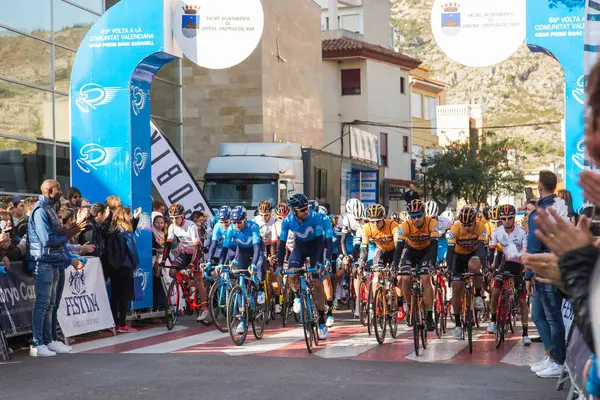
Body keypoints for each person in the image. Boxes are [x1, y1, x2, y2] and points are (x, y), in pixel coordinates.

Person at [27, 180, 86, 357]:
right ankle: (37, 343)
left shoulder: (51, 208)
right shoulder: (40, 210)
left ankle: (50, 339)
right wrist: (68, 234)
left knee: (52, 304)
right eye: (58, 189)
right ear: (49, 191)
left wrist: (69, 231)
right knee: (43, 303)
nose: (61, 192)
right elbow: (46, 240)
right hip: (43, 261)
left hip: (54, 260)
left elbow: (57, 235)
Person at [526, 170, 568, 378]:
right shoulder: (562, 208)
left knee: (552, 316)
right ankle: (552, 355)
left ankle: (558, 361)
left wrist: (527, 275)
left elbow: (533, 248)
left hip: (545, 268)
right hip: (559, 266)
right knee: (539, 315)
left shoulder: (539, 213)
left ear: (540, 186)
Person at [277, 193, 328, 340]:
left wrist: (318, 262)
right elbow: (281, 244)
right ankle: (298, 297)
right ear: (294, 211)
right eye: (302, 210)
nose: (306, 211)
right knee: (292, 274)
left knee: (318, 283)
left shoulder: (314, 217)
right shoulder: (287, 221)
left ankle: (322, 322)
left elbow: (320, 243)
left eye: (307, 208)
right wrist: (280, 265)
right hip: (299, 248)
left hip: (315, 249)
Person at [487, 204, 531, 345]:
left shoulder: (521, 232)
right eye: (504, 218)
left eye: (510, 218)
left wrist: (525, 272)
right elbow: (491, 251)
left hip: (519, 264)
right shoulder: (497, 232)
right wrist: (489, 267)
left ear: (514, 218)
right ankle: (493, 320)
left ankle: (525, 333)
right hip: (504, 263)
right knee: (495, 292)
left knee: (522, 301)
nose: (507, 221)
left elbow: (525, 253)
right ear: (500, 219)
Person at [395, 199, 439, 331]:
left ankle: (430, 316)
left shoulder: (432, 223)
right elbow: (399, 247)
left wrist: (431, 263)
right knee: (405, 278)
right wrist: (394, 266)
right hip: (411, 252)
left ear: (424, 214)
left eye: (419, 215)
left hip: (427, 251)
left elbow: (434, 245)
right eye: (413, 216)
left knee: (425, 278)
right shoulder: (406, 225)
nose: (416, 219)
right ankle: (410, 308)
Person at [221, 206, 265, 334]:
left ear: (245, 219)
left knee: (259, 266)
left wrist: (255, 264)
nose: (236, 225)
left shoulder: (253, 226)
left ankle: (260, 290)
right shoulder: (230, 229)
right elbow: (224, 249)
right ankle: (242, 320)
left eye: (239, 222)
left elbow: (257, 247)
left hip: (257, 250)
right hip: (243, 252)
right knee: (241, 283)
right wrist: (220, 264)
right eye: (233, 222)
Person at [161, 203, 208, 322]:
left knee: (198, 280)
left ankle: (204, 307)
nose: (174, 220)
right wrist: (162, 260)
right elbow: (167, 244)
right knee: (172, 272)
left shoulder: (190, 225)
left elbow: (197, 246)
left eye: (176, 217)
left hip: (195, 253)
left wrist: (192, 262)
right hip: (184, 252)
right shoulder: (172, 227)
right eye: (172, 218)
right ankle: (187, 283)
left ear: (182, 216)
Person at [446, 205, 487, 339]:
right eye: (465, 224)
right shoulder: (455, 228)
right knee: (457, 288)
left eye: (470, 224)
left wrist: (485, 267)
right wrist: (449, 269)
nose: (467, 227)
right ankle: (457, 324)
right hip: (458, 256)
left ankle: (477, 295)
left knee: (474, 267)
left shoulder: (481, 226)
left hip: (473, 253)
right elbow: (450, 252)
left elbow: (482, 249)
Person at [105, 207, 141, 333]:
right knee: (124, 295)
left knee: (115, 295)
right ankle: (122, 324)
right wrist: (135, 262)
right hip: (125, 266)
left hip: (113, 267)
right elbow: (131, 249)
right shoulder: (126, 231)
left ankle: (113, 322)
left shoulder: (110, 231)